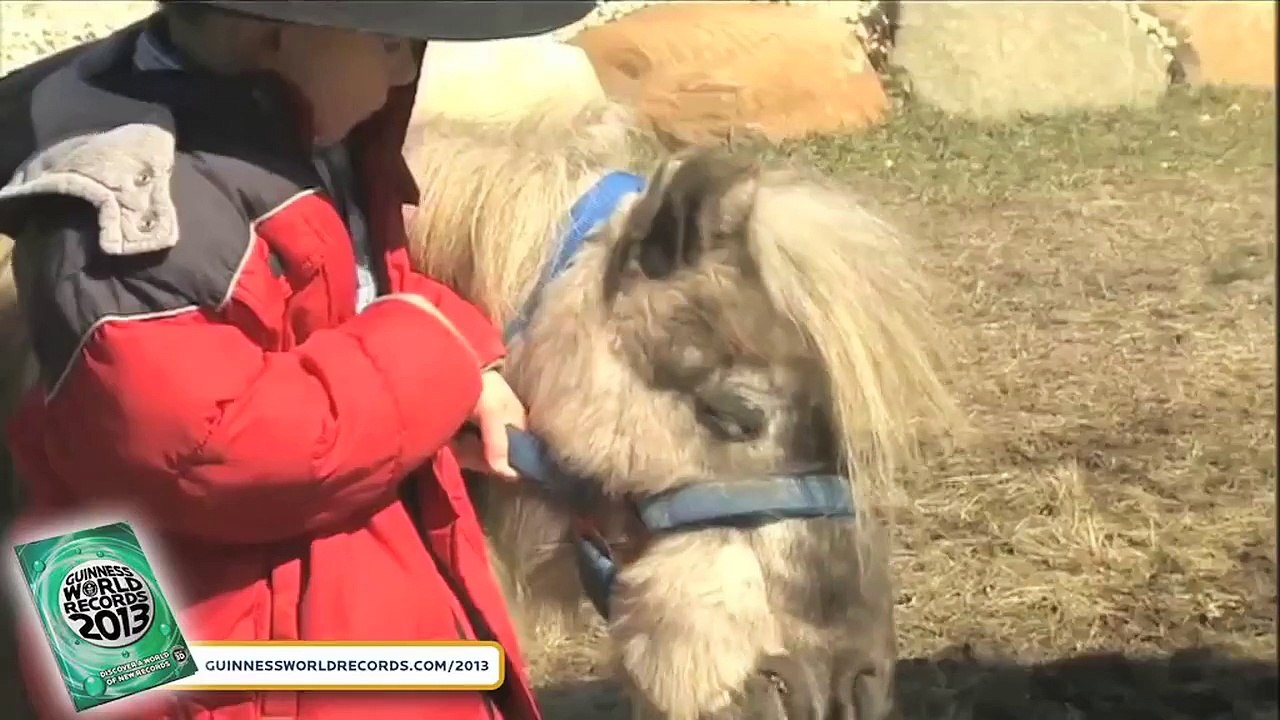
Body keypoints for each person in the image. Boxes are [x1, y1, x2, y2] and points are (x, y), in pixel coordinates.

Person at [0, 1, 596, 718]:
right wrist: (432, 356)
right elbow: (208, 446)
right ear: (273, 35)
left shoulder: (291, 136)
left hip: (310, 599)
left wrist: (466, 356)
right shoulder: (132, 215)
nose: (410, 64)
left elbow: (365, 289)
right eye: (390, 39)